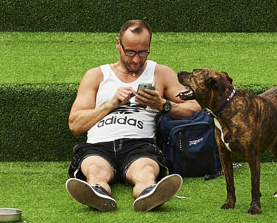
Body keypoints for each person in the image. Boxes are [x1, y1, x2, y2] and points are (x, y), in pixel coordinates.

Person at [66, 19, 197, 213]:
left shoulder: (160, 73)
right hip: (99, 145)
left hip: (140, 145)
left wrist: (162, 104)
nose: (136, 60)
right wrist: (110, 104)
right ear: (118, 43)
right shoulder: (97, 75)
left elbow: (194, 107)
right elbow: (75, 125)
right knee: (95, 170)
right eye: (130, 52)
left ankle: (149, 193)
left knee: (145, 172)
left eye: (142, 53)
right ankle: (97, 192)